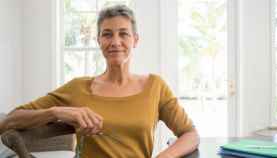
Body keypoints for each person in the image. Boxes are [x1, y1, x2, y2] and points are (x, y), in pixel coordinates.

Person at [0, 4, 199, 158]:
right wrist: (56, 112)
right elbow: (8, 121)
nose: (115, 42)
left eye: (123, 34)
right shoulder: (78, 88)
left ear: (135, 40)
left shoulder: (155, 86)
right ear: (99, 41)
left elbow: (190, 134)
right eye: (107, 34)